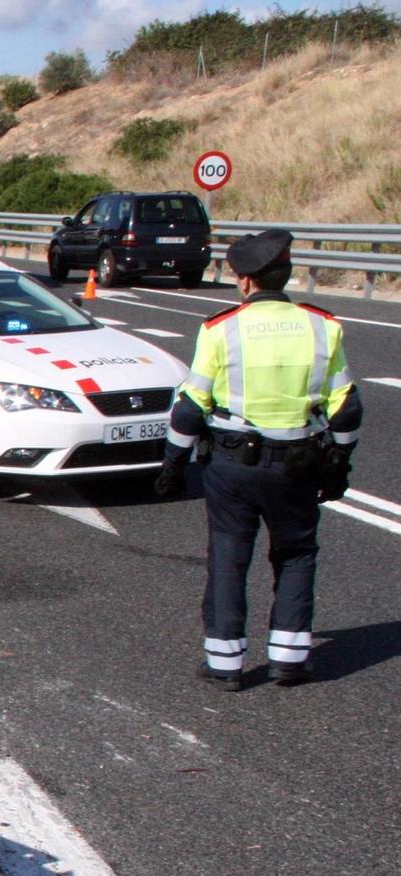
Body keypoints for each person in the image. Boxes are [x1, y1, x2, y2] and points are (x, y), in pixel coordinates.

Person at [160, 227, 363, 689]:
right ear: (285, 276)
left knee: (230, 555)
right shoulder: (323, 326)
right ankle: (289, 660)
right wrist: (340, 465)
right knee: (295, 554)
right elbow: (347, 408)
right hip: (297, 462)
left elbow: (190, 409)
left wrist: (173, 465)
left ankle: (226, 665)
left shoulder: (219, 330)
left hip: (233, 465)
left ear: (245, 281)